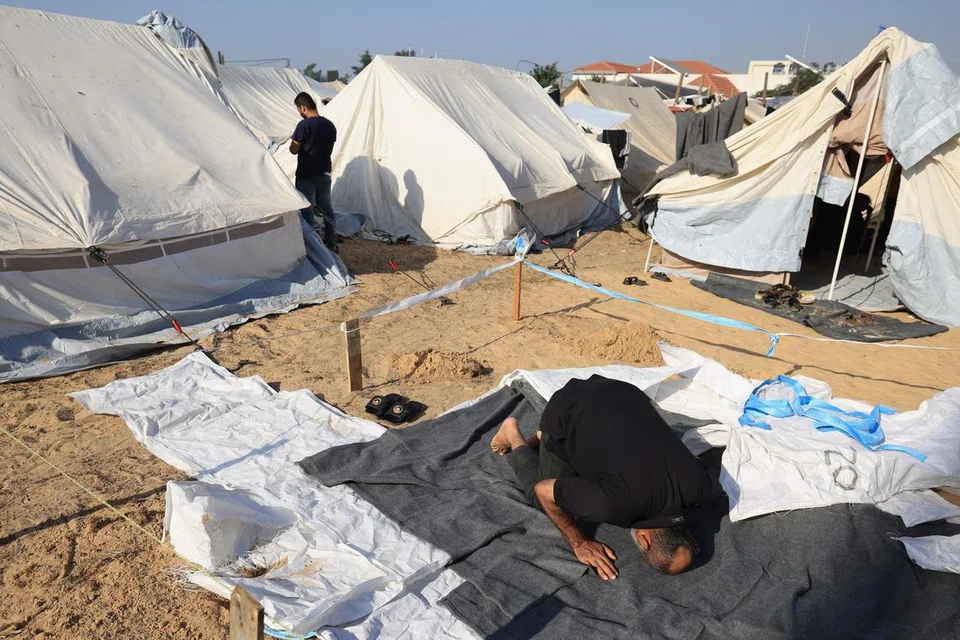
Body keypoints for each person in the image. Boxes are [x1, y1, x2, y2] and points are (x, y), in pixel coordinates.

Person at [491, 375, 714, 580]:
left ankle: (547, 438)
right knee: (540, 498)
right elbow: (544, 490)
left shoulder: (701, 488)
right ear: (644, 541)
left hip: (623, 392)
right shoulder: (614, 505)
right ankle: (515, 436)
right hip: (569, 405)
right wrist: (579, 543)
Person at [289, 92, 338, 250]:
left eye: (298, 109)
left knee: (307, 211)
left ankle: (312, 247)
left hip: (306, 174)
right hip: (324, 172)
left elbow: (294, 150)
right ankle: (332, 243)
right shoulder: (330, 125)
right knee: (327, 209)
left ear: (302, 108)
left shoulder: (304, 126)